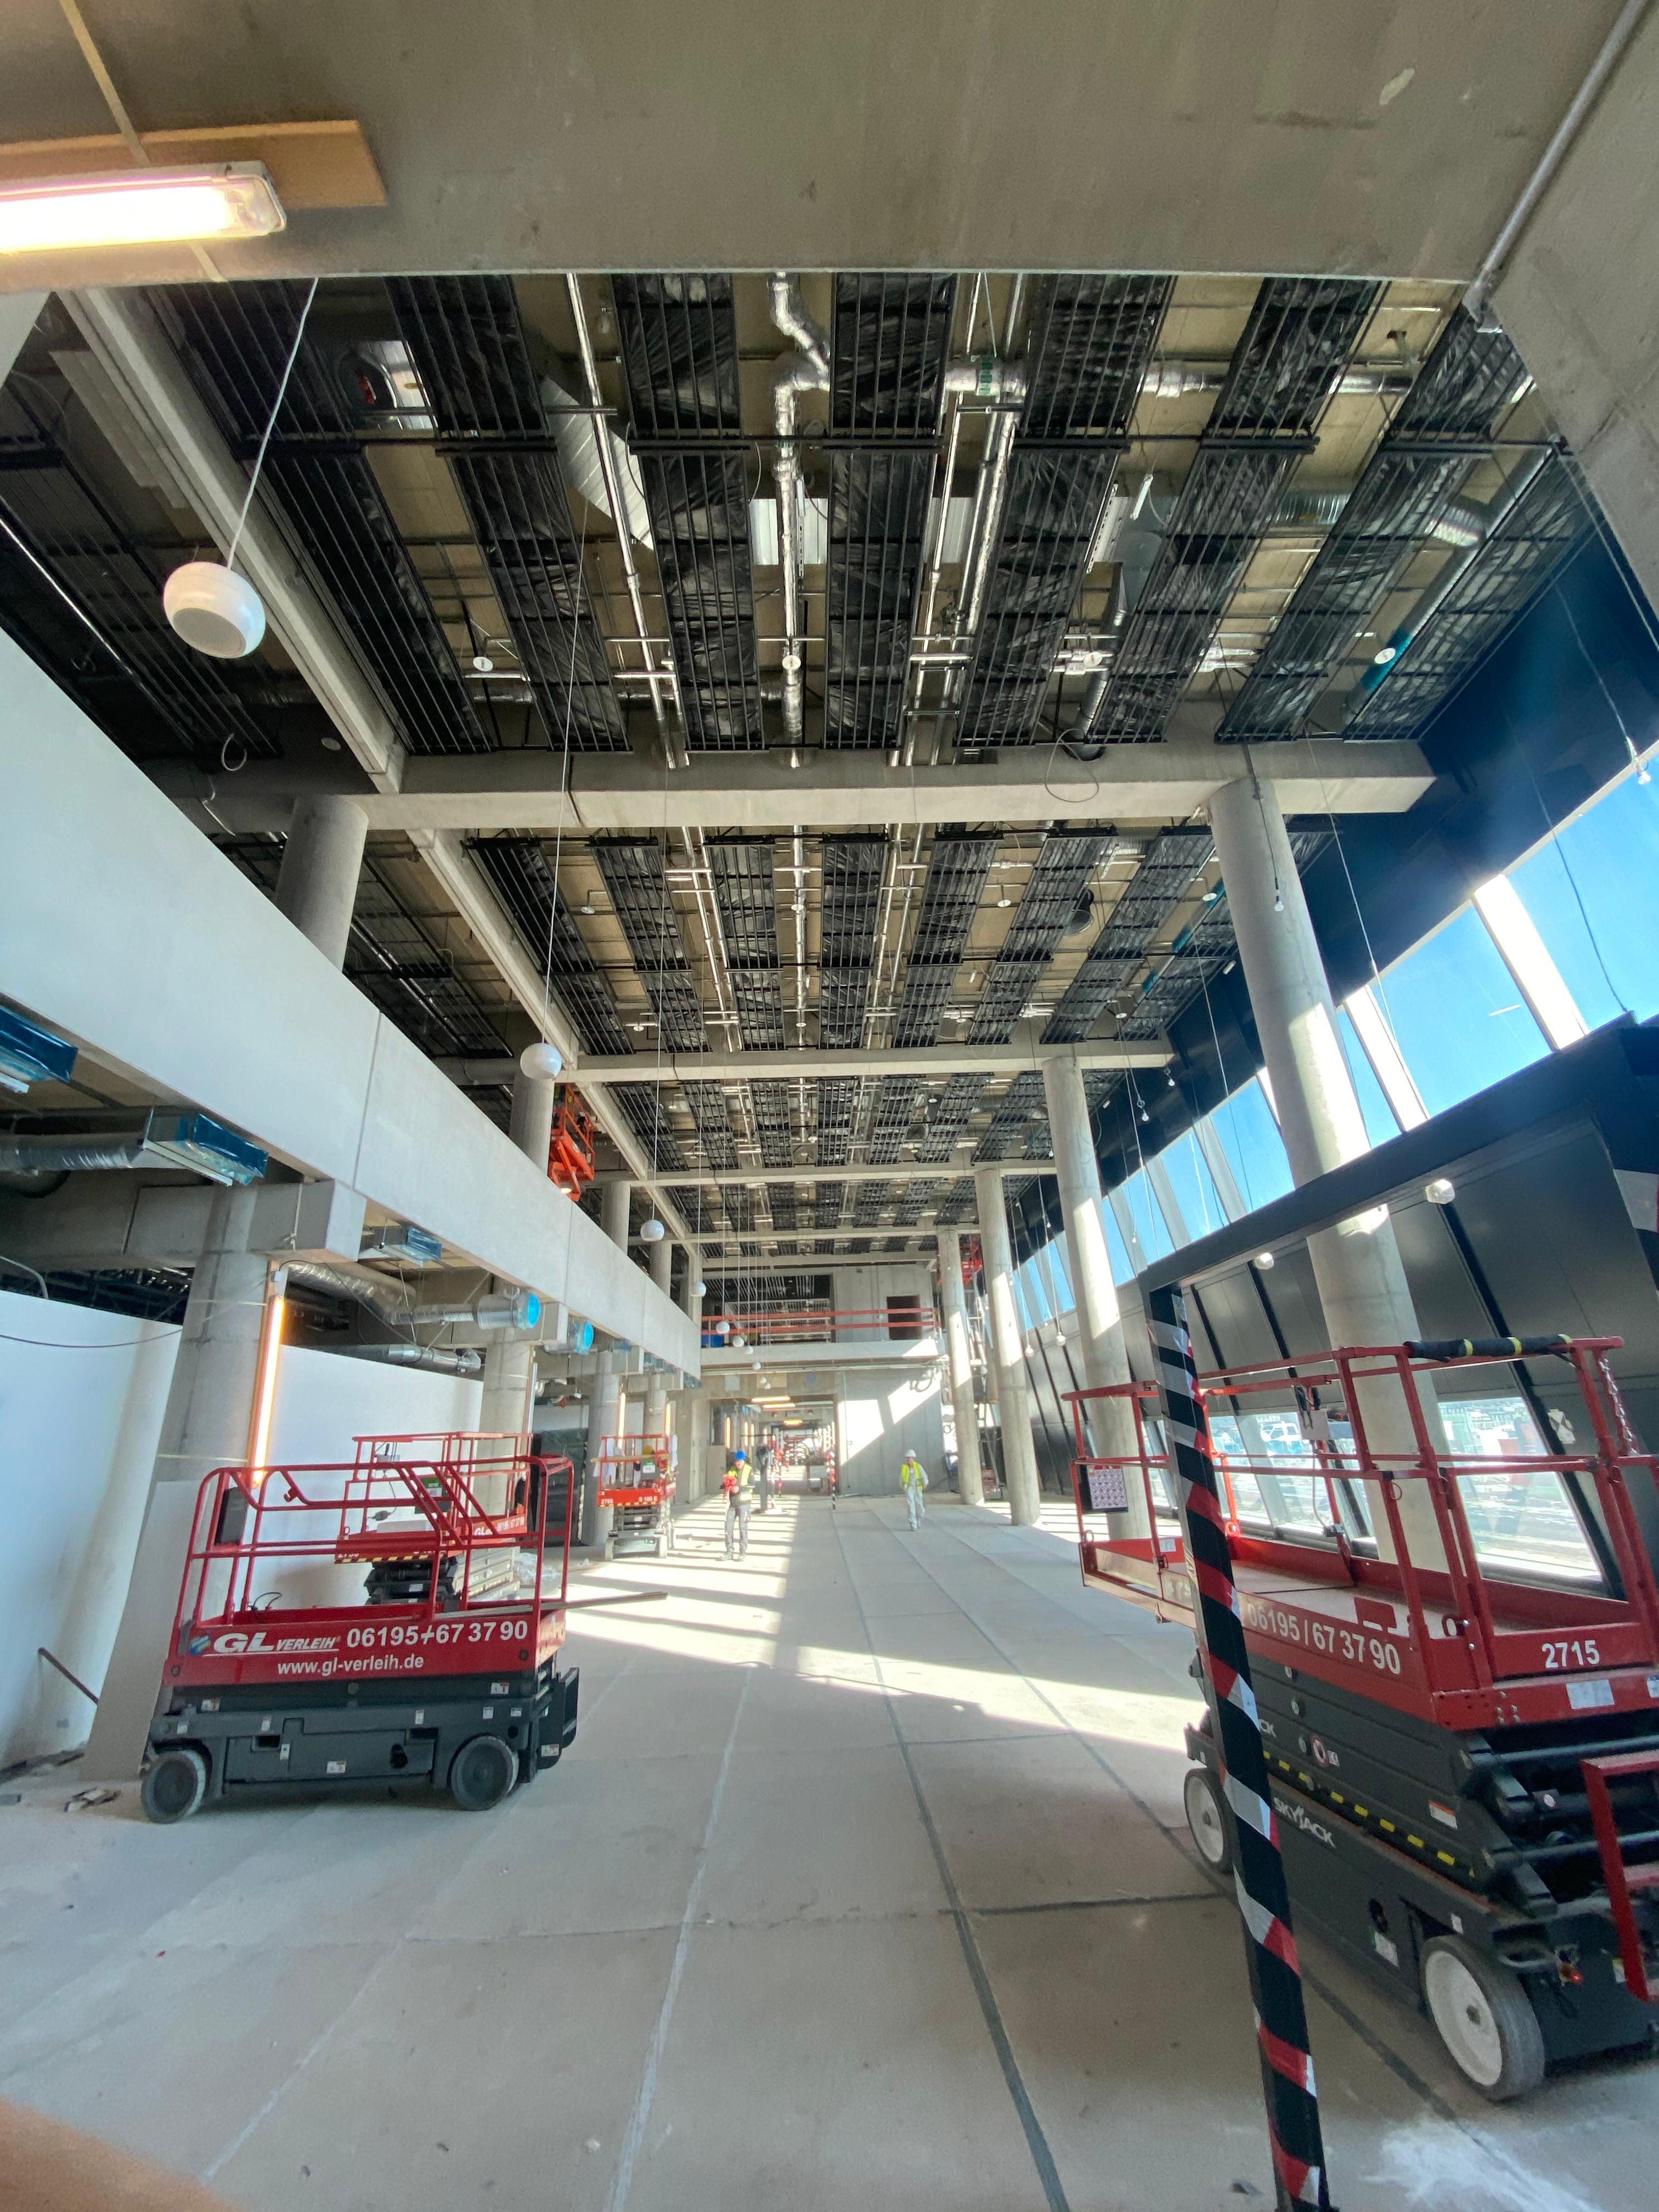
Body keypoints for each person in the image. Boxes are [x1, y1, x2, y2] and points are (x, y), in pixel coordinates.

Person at [723, 1449, 755, 1560]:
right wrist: (725, 1485)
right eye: (737, 1461)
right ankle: (729, 1551)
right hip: (732, 1503)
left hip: (744, 1504)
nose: (739, 1463)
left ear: (744, 1461)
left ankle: (743, 1552)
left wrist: (740, 1489)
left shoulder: (749, 1470)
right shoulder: (731, 1470)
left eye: (741, 1461)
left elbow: (752, 1485)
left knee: (743, 1528)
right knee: (728, 1528)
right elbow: (726, 1483)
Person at [899, 1451, 928, 1530]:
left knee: (920, 1506)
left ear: (913, 1458)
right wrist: (903, 1487)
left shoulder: (918, 1467)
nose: (908, 1460)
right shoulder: (905, 1468)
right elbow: (901, 1479)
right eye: (907, 1458)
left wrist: (925, 1483)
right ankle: (913, 1524)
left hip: (918, 1488)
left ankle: (919, 1519)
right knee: (911, 1506)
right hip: (909, 1489)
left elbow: (924, 1476)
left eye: (909, 1458)